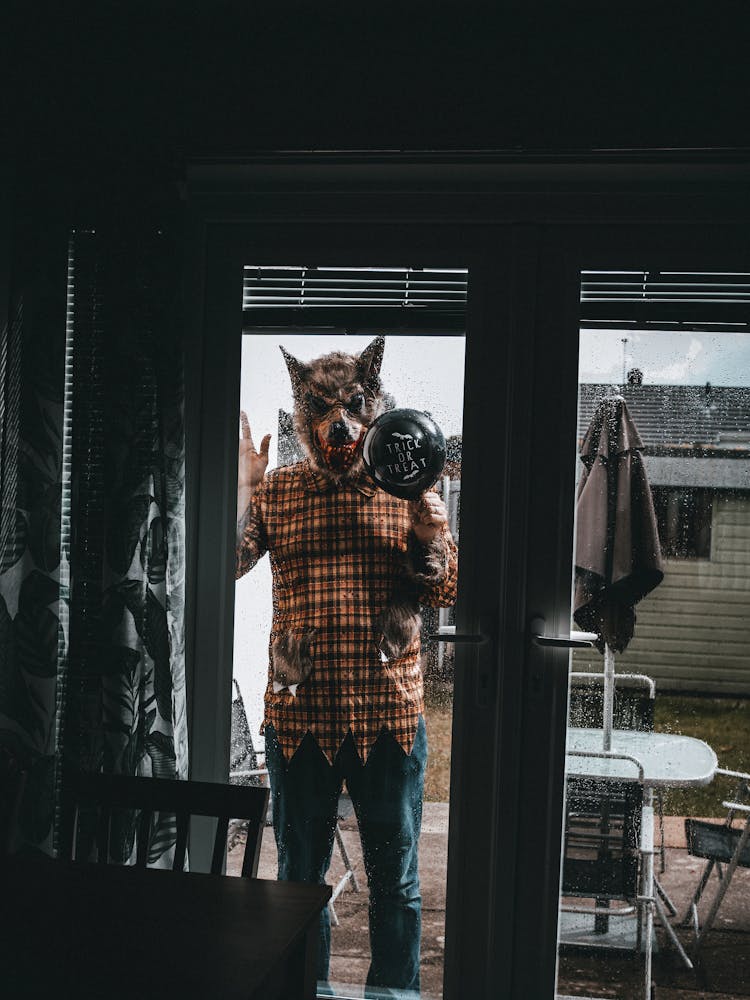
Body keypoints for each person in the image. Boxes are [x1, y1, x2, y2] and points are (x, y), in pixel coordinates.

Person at [236, 339, 458, 996]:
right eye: (323, 410)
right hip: (299, 716)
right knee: (299, 882)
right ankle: (309, 991)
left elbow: (444, 590)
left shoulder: (406, 485)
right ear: (303, 417)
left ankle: (393, 994)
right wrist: (246, 490)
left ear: (374, 409)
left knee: (396, 881)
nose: (339, 425)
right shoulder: (280, 491)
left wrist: (428, 536)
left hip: (388, 714)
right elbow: (232, 562)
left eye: (353, 407)